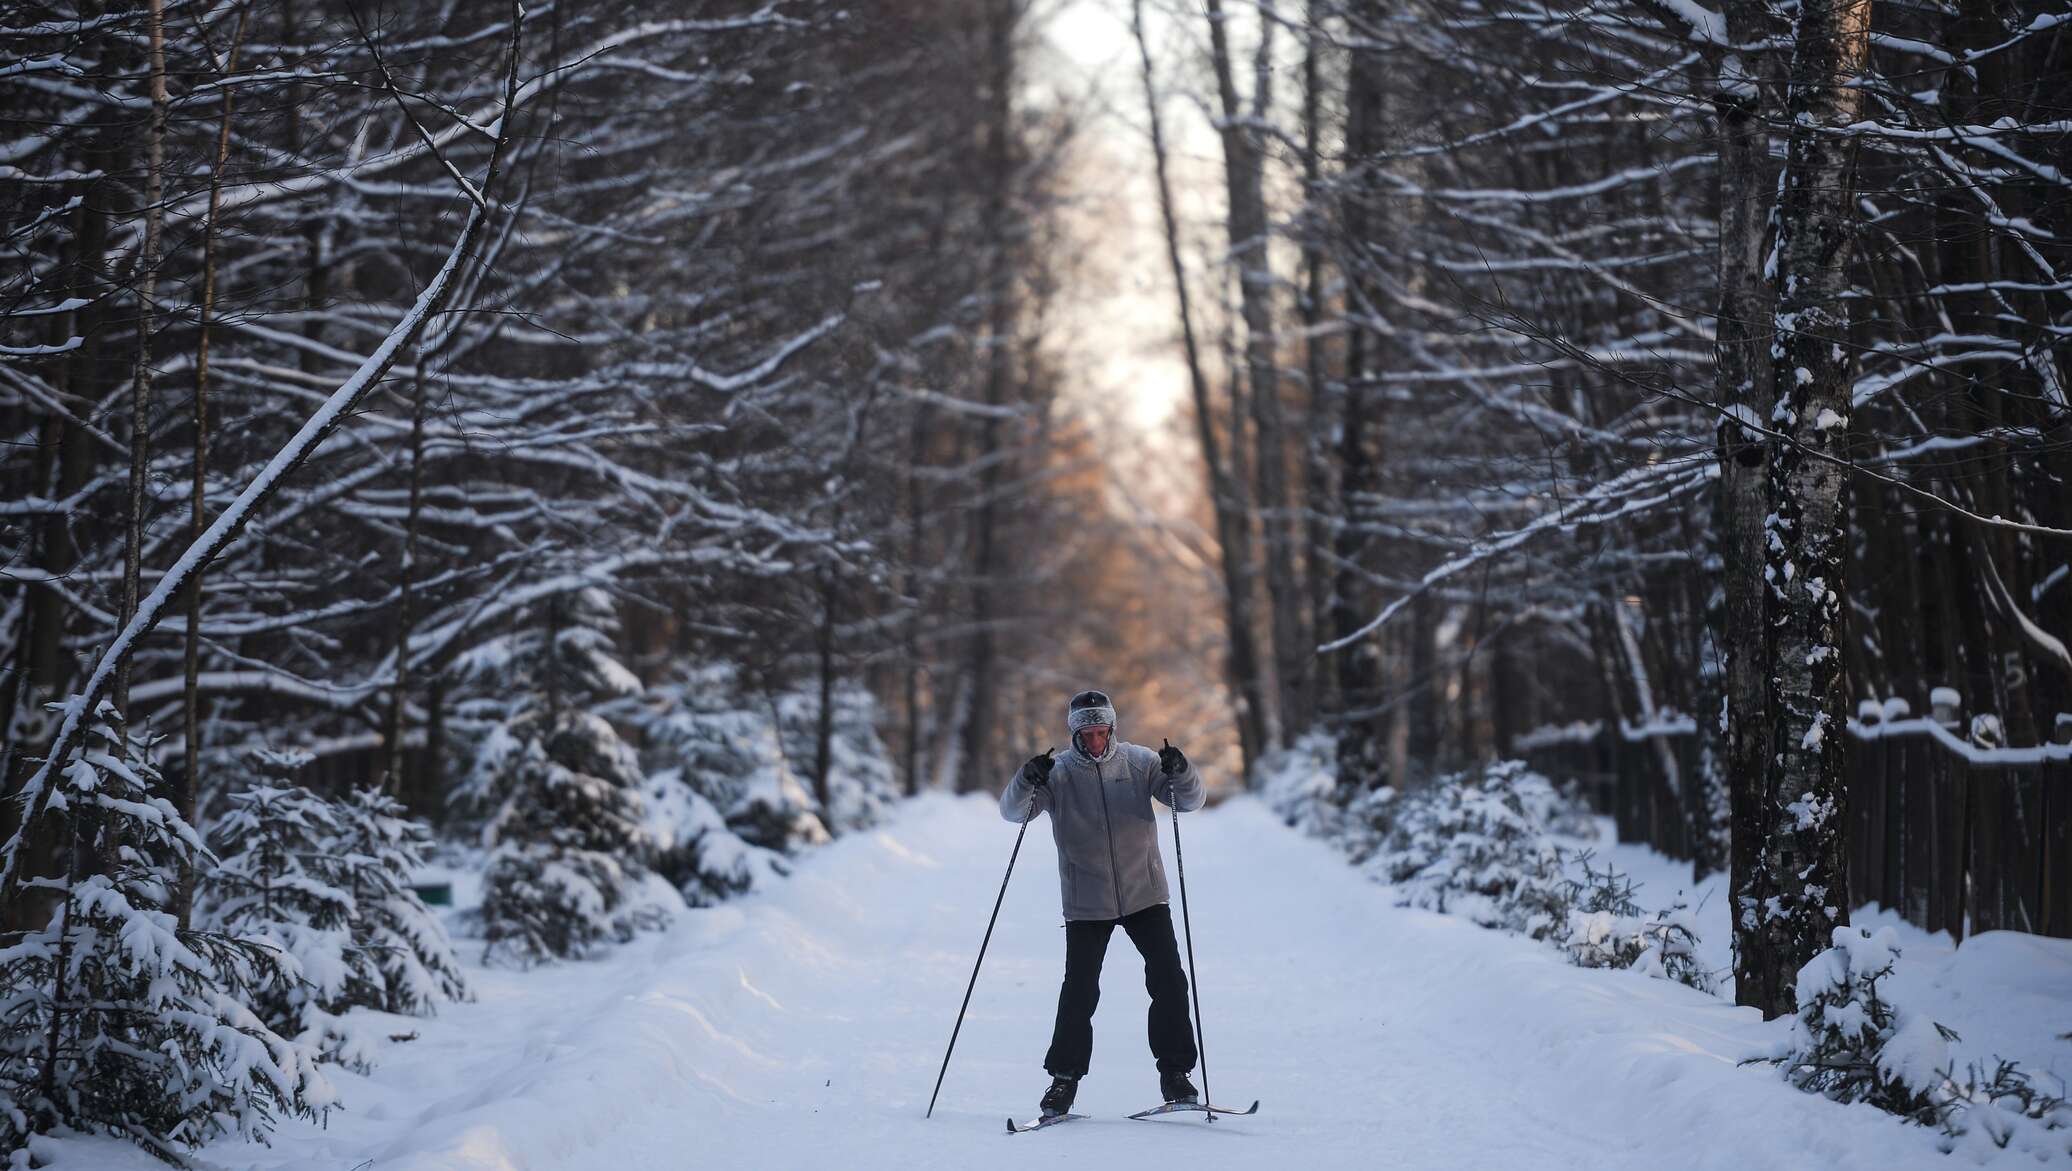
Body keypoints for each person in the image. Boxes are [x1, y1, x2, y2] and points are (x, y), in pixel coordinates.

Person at [998, 688, 1206, 1118]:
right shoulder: (1057, 774)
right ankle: (1063, 1082)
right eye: (1086, 733)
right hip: (1086, 901)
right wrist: (1026, 778)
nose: (1095, 740)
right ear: (1073, 733)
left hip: (1145, 894)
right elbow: (1014, 813)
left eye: (1101, 731)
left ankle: (1176, 1076)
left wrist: (1180, 770)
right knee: (1079, 992)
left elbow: (1188, 801)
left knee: (1169, 981)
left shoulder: (1141, 762)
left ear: (1113, 727)